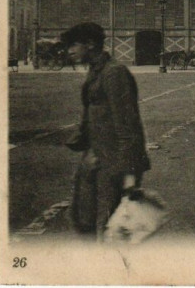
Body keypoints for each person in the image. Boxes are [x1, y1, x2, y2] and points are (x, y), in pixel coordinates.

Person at [61, 22, 151, 238]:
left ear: (90, 44)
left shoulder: (114, 73)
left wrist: (130, 174)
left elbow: (128, 125)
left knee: (110, 229)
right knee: (83, 221)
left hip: (113, 165)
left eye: (73, 45)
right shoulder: (98, 71)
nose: (69, 51)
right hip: (95, 161)